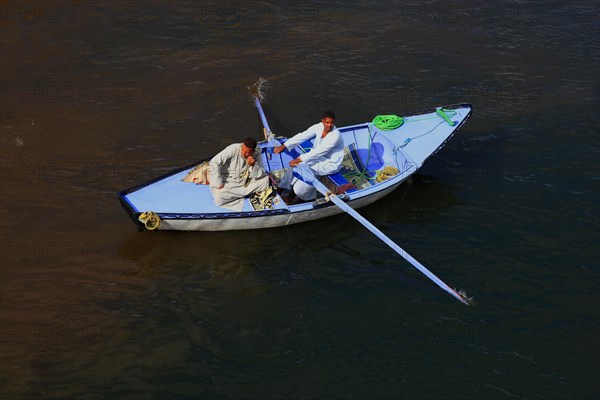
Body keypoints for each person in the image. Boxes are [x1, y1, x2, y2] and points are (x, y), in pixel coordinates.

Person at [273, 111, 345, 202]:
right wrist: (284, 146)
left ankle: (307, 198)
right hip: (316, 158)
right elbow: (303, 136)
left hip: (329, 163)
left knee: (299, 189)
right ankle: (279, 191)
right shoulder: (318, 127)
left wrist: (299, 160)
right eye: (327, 122)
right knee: (292, 167)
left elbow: (319, 152)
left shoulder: (335, 135)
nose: (329, 125)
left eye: (332, 123)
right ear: (322, 121)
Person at [209, 137, 270, 211]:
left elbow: (261, 173)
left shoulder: (257, 153)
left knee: (265, 181)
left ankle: (237, 195)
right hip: (229, 182)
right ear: (242, 146)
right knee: (219, 197)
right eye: (243, 150)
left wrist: (253, 165)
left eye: (247, 152)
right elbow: (214, 162)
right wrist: (218, 183)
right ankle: (242, 194)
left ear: (253, 151)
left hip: (245, 182)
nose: (244, 153)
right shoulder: (233, 148)